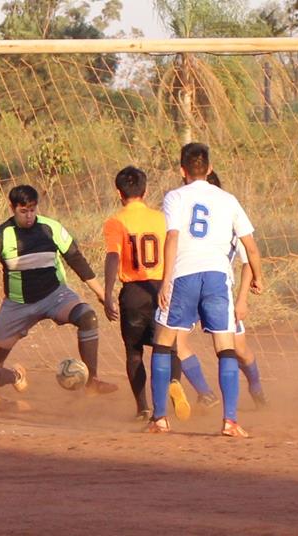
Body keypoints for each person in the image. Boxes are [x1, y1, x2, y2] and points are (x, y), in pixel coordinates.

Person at [149, 143, 263, 438]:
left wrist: (166, 280)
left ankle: (159, 419)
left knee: (164, 342)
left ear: (181, 170)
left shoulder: (174, 196)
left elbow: (172, 237)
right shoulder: (228, 199)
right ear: (209, 169)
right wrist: (258, 278)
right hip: (216, 278)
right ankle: (230, 421)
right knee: (225, 347)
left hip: (184, 275)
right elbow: (250, 247)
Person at [0, 184, 117, 395]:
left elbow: (77, 260)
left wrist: (102, 295)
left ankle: (92, 381)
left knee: (87, 316)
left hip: (54, 296)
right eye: (23, 211)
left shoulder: (51, 228)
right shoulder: (1, 234)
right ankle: (2, 380)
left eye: (32, 210)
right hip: (17, 305)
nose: (29, 216)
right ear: (12, 208)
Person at [103, 166, 191, 422]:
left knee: (134, 353)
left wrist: (108, 293)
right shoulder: (162, 218)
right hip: (160, 289)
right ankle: (174, 381)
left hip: (132, 293)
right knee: (168, 347)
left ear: (119, 192)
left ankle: (143, 408)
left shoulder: (115, 221)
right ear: (146, 190)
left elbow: (112, 256)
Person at [174, 171, 267, 408]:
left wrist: (242, 299)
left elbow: (248, 259)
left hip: (218, 290)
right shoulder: (186, 216)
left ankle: (255, 387)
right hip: (190, 285)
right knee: (176, 342)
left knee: (238, 349)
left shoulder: (228, 217)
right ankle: (206, 393)